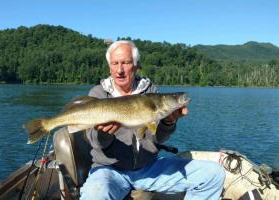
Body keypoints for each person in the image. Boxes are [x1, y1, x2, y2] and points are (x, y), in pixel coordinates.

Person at [79, 40, 225, 200]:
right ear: (110, 66)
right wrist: (104, 134)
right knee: (94, 194)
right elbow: (96, 143)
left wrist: (167, 123)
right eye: (115, 63)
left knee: (213, 175)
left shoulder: (150, 92)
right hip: (109, 169)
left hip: (148, 167)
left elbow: (155, 138)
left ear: (136, 65)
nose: (119, 70)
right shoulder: (98, 94)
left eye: (126, 63)